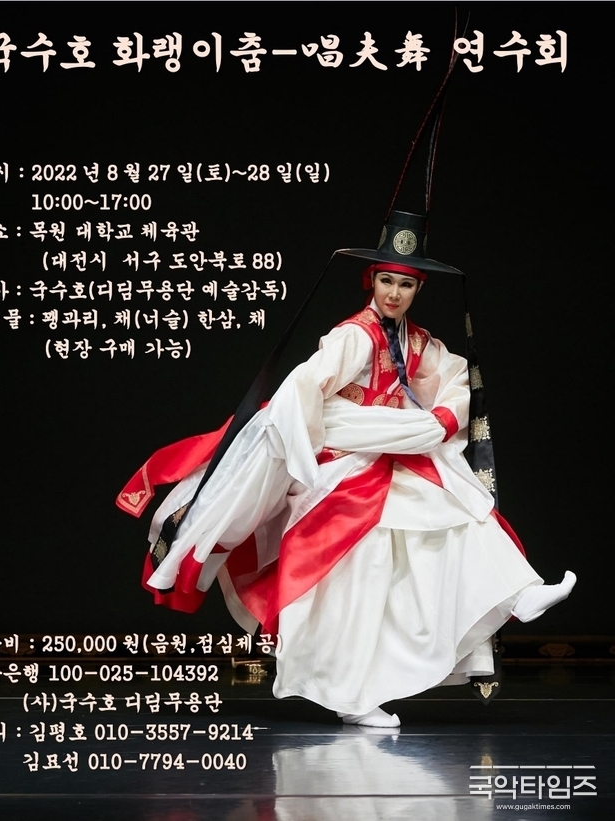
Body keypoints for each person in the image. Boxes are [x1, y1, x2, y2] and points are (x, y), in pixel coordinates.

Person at [117, 211, 576, 728]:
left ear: (418, 289)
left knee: (459, 508)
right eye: (386, 281)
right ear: (371, 280)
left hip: (390, 458)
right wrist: (321, 445)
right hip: (341, 464)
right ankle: (348, 693)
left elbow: (454, 378)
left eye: (405, 284)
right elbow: (304, 388)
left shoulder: (417, 341)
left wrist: (442, 418)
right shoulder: (354, 336)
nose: (394, 293)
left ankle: (518, 593)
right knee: (365, 569)